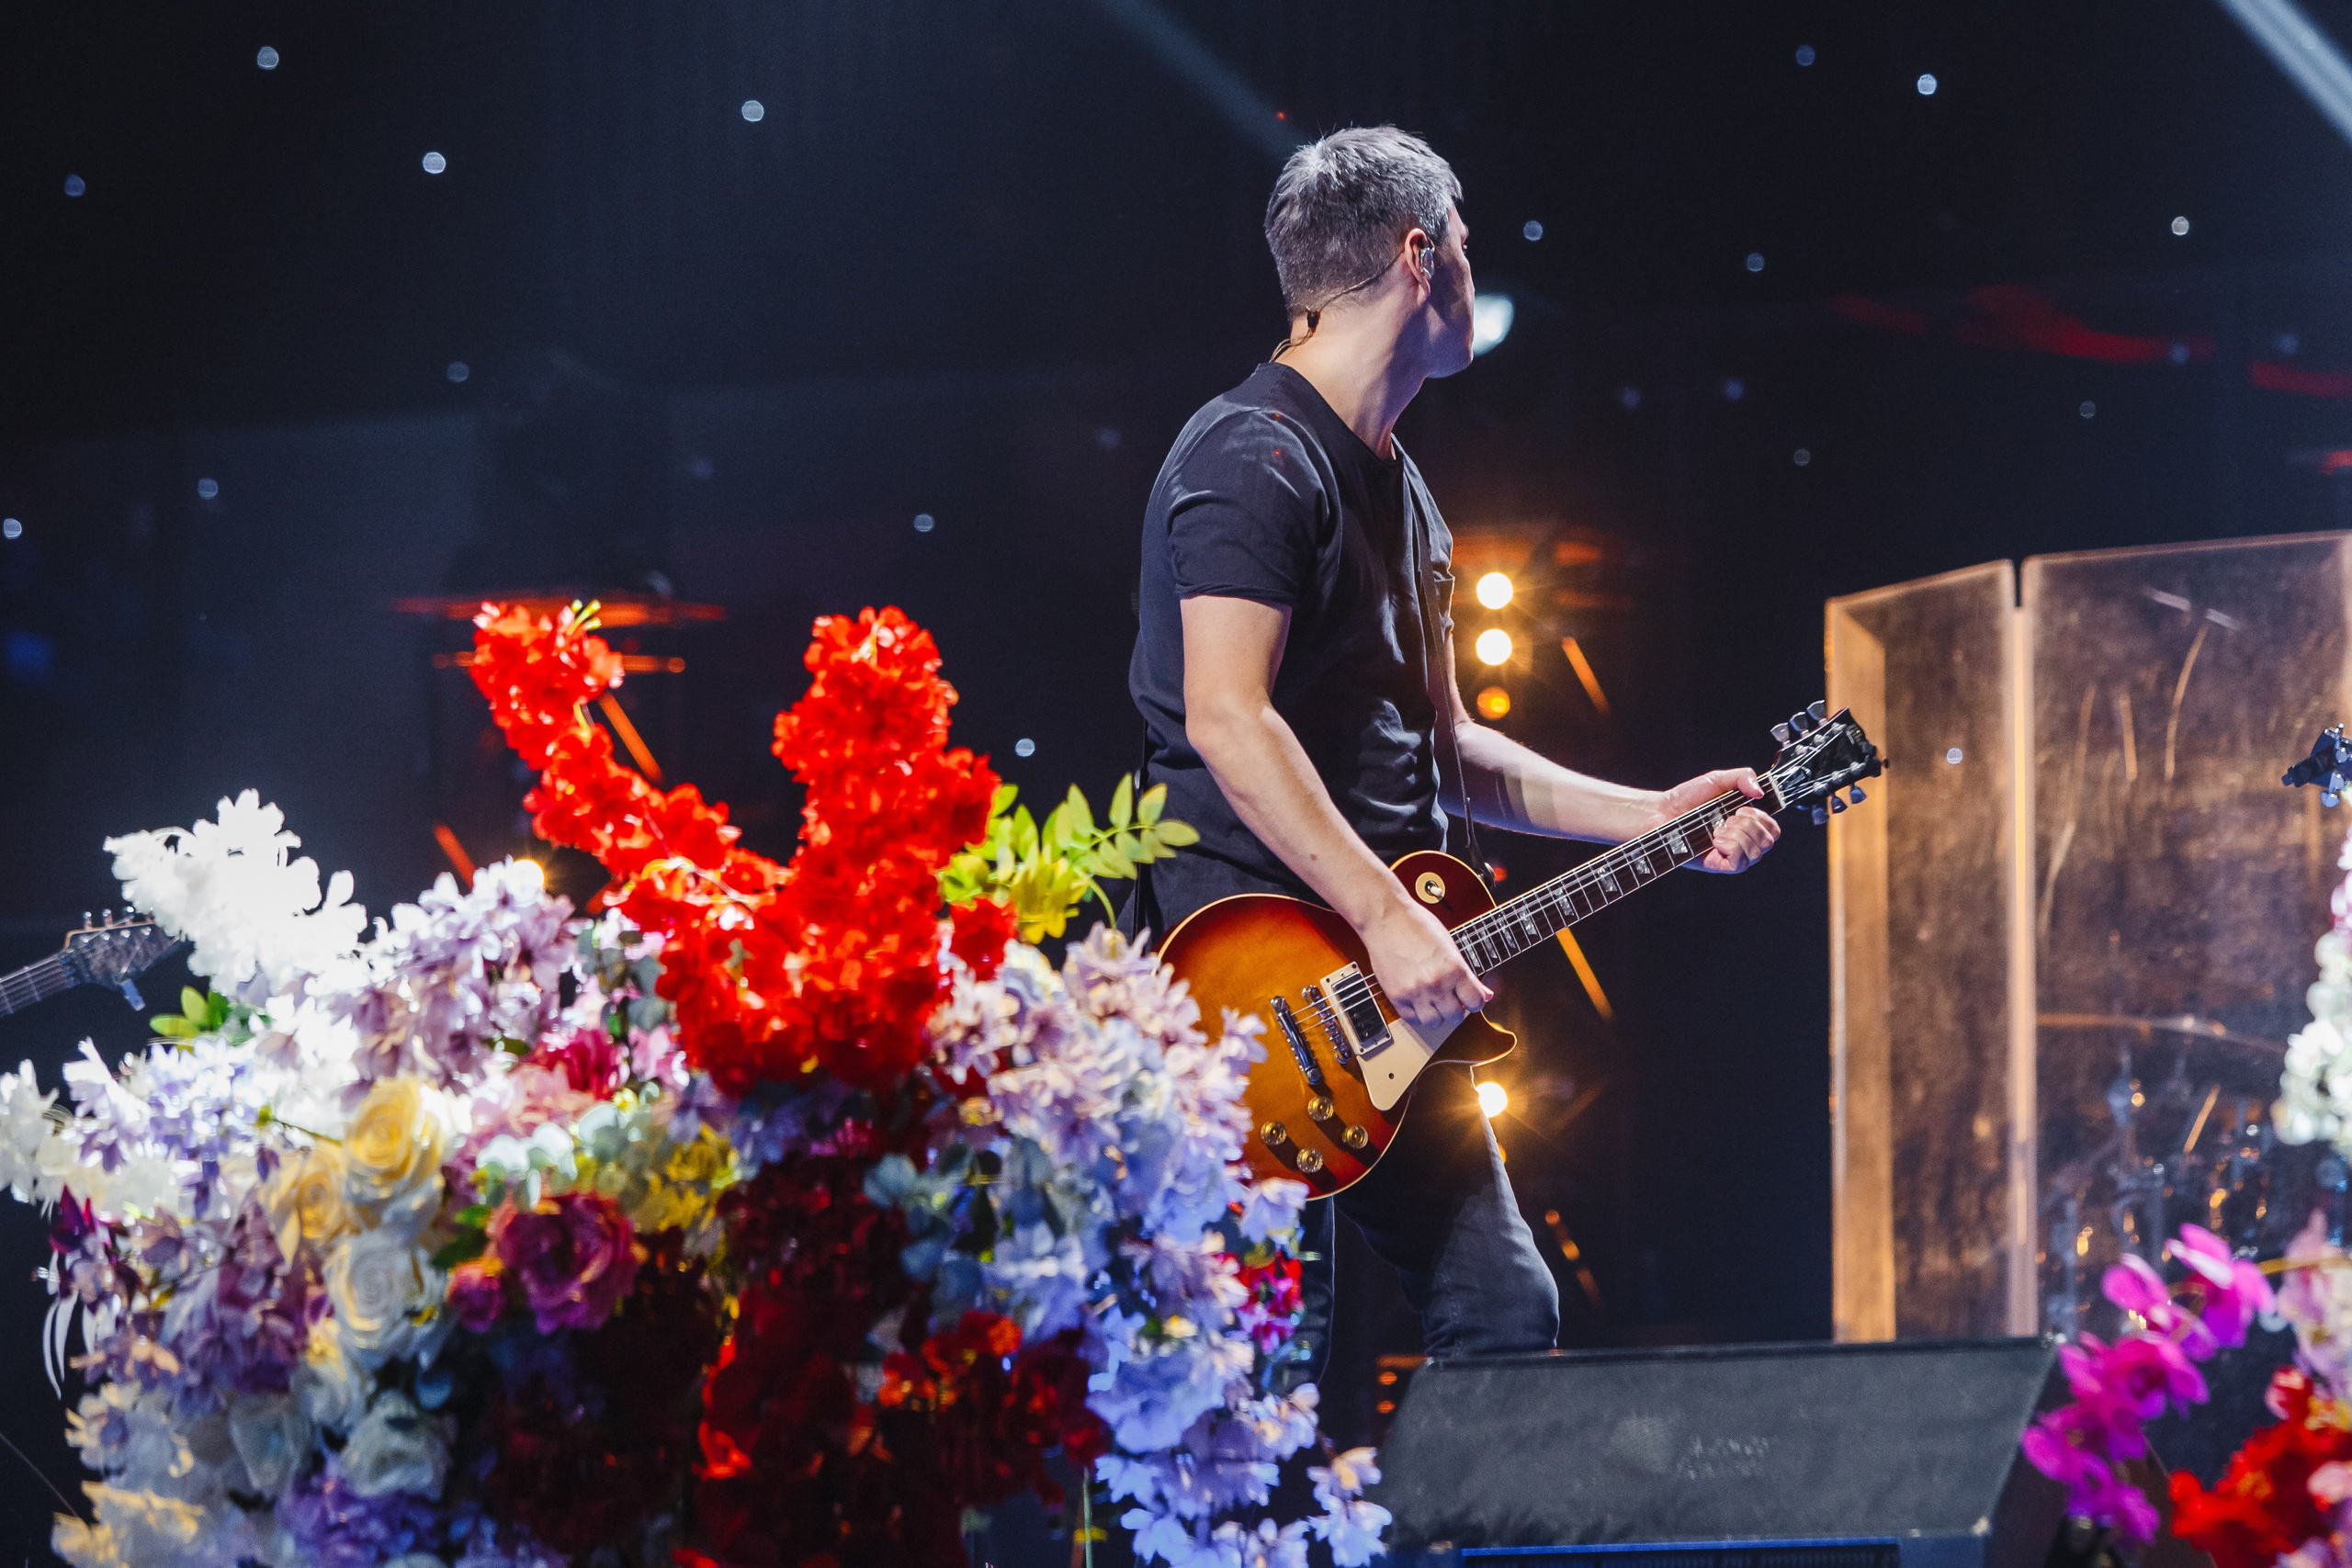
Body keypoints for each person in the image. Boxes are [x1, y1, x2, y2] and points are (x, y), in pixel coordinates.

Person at [1123, 127, 1781, 1382]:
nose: (1479, 274)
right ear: (1420, 256)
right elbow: (1226, 716)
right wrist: (1387, 917)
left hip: (1387, 985)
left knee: (1503, 1312)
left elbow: (1448, 748)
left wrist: (1658, 815)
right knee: (1261, 1361)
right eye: (1469, 247)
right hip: (1250, 990)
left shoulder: (1404, 488)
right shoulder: (1251, 456)